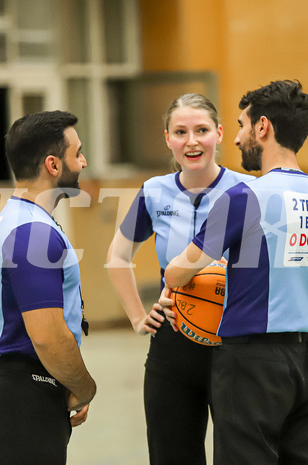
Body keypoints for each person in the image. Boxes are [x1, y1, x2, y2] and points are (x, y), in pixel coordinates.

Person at [163, 80, 308, 465]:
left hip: (252, 362)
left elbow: (179, 270)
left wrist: (177, 283)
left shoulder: (247, 196)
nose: (237, 139)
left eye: (241, 126)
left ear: (263, 127)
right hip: (307, 359)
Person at [107, 94, 254, 465]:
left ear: (219, 134)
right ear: (167, 139)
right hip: (173, 344)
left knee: (240, 456)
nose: (192, 141)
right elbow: (117, 257)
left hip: (234, 342)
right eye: (181, 131)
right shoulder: (154, 192)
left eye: (201, 130)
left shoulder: (247, 191)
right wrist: (139, 317)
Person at [0, 110, 97, 465]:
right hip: (23, 397)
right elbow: (46, 335)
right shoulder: (32, 232)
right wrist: (85, 386)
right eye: (78, 153)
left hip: (23, 393)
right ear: (53, 165)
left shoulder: (22, 218)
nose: (84, 162)